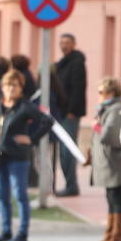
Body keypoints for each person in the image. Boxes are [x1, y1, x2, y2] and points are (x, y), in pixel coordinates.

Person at [0, 70, 54, 241]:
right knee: (2, 196)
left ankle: (22, 234)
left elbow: (47, 121)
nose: (11, 89)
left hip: (18, 156)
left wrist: (31, 139)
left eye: (15, 85)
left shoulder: (25, 106)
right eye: (8, 85)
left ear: (20, 88)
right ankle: (5, 232)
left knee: (20, 194)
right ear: (2, 87)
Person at [87, 77, 121, 241]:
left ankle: (117, 237)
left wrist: (97, 126)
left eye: (101, 92)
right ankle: (109, 235)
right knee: (111, 199)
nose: (99, 96)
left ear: (111, 93)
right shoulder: (107, 109)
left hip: (115, 163)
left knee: (116, 198)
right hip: (107, 162)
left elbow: (110, 135)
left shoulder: (117, 109)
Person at [52, 33, 87, 197]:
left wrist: (72, 111)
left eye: (67, 42)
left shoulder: (76, 63)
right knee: (63, 151)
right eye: (61, 43)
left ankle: (71, 185)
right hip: (61, 113)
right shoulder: (61, 64)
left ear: (74, 44)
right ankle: (69, 184)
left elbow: (78, 89)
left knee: (68, 150)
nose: (63, 45)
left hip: (70, 114)